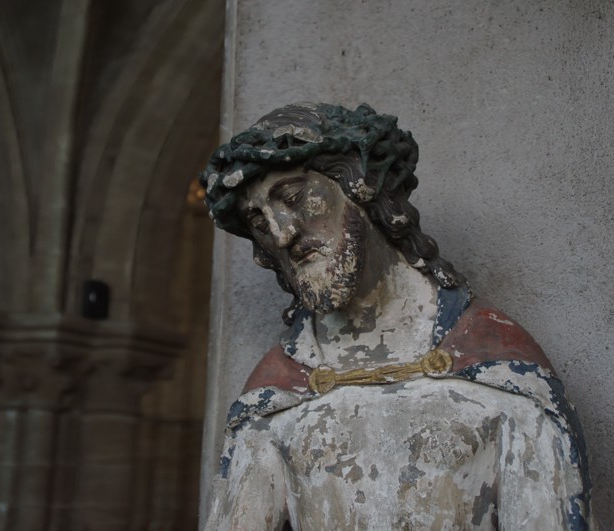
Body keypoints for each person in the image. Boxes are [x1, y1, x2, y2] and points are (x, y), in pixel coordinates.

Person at [201, 103, 592, 530]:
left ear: (360, 186)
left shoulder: (497, 366)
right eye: (259, 222)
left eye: (293, 198)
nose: (282, 233)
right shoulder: (273, 399)